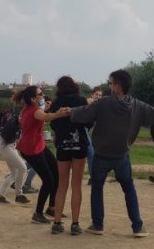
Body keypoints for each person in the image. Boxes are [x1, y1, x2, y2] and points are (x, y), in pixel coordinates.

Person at [69, 69, 154, 238]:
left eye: (112, 83)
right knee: (129, 189)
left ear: (118, 86)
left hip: (102, 155)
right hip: (122, 156)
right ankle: (137, 227)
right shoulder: (137, 105)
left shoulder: (103, 103)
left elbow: (81, 113)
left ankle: (98, 225)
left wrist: (67, 111)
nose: (110, 86)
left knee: (97, 188)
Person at [13, 86, 69, 224]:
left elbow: (42, 113)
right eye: (40, 94)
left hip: (38, 145)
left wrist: (48, 108)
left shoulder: (30, 107)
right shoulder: (34, 111)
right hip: (31, 149)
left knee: (56, 172)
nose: (43, 95)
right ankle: (38, 214)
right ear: (33, 98)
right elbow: (45, 116)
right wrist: (59, 114)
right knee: (49, 180)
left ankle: (52, 207)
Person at [49, 76, 92, 235]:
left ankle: (57, 222)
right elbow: (89, 122)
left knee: (62, 185)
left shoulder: (56, 103)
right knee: (76, 185)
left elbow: (52, 122)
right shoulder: (81, 100)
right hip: (79, 146)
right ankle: (75, 224)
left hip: (62, 146)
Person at [0, 115, 31, 205]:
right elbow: (11, 139)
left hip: (6, 146)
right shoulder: (13, 126)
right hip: (6, 147)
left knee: (14, 173)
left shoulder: (15, 121)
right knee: (23, 167)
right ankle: (19, 195)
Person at [85, 86, 103, 185]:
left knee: (90, 152)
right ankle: (94, 178)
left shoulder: (97, 105)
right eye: (96, 94)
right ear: (92, 95)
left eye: (100, 95)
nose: (98, 97)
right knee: (91, 152)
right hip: (80, 129)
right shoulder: (90, 101)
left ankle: (93, 177)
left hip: (85, 130)